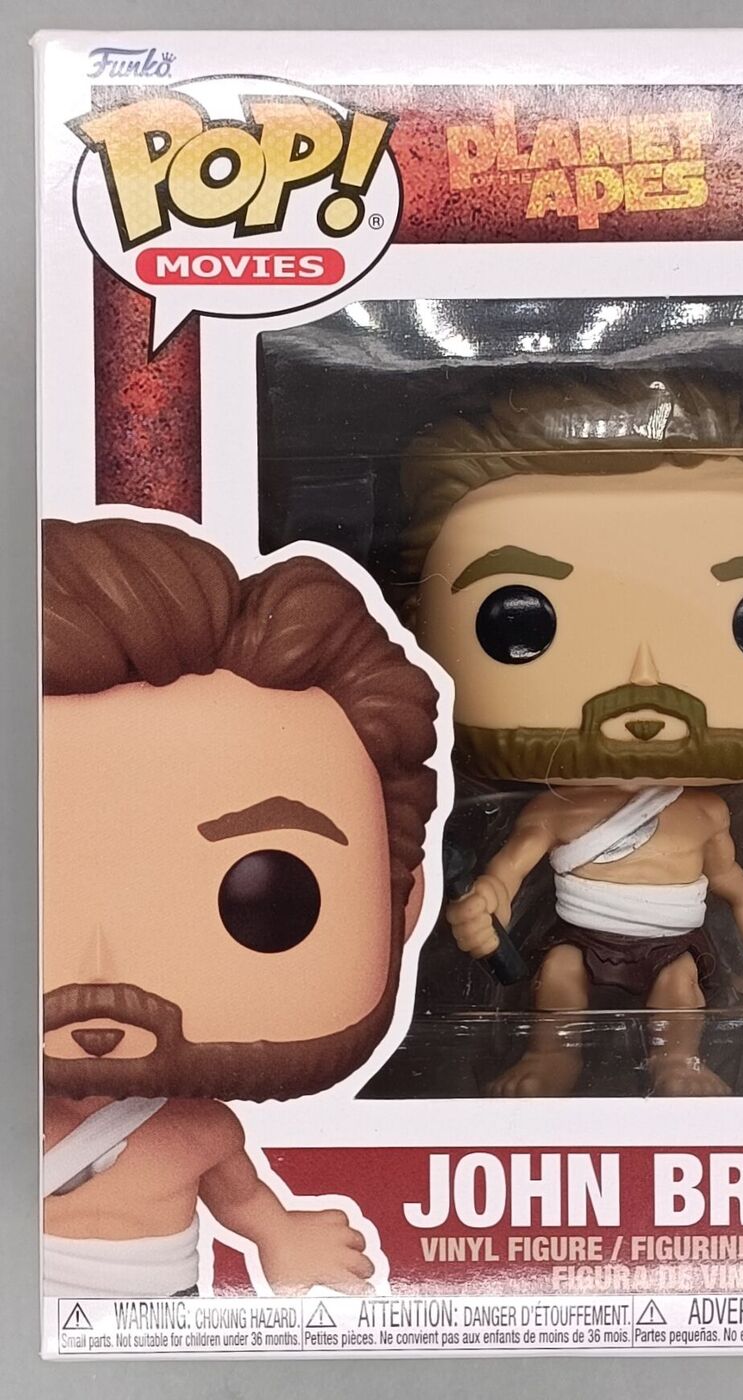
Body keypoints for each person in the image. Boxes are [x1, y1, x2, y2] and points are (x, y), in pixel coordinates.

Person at [405, 373, 743, 1096]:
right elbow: (512, 866)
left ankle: (676, 1062)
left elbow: (723, 871)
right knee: (558, 977)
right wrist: (488, 899)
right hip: (579, 936)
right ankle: (553, 1058)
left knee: (680, 990)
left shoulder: (705, 812)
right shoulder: (558, 810)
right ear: (418, 636)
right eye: (519, 621)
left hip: (671, 942)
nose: (645, 689)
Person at [42, 517, 439, 1296]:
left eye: (269, 897)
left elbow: (249, 1205)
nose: (100, 980)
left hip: (163, 1315)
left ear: (403, 906)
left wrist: (289, 1240)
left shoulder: (201, 1131)